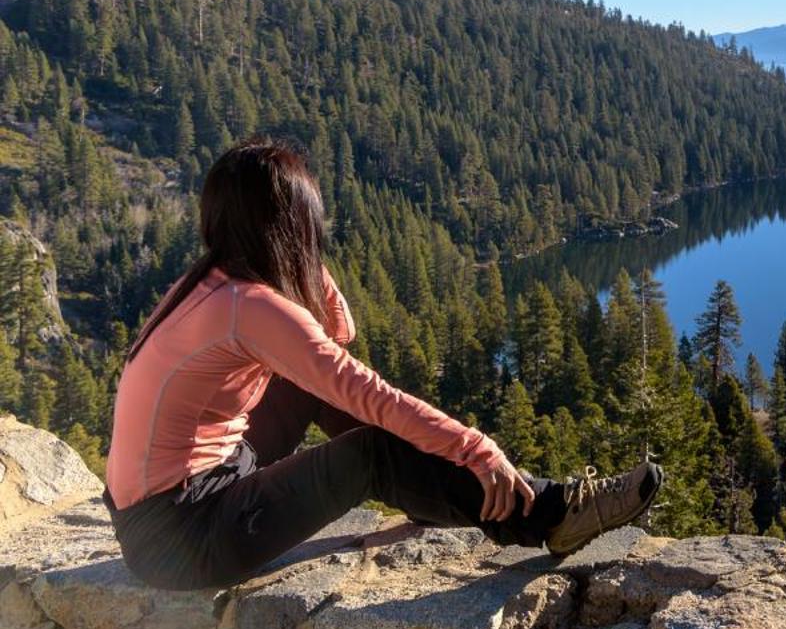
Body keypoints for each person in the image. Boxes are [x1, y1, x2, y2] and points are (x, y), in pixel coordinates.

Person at [106, 137, 660, 591]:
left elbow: (337, 331)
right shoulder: (248, 307)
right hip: (183, 536)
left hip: (183, 499)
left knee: (318, 389)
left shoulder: (210, 282)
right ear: (292, 227)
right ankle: (550, 513)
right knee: (372, 447)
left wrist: (302, 265)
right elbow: (365, 388)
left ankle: (429, 488)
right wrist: (476, 447)